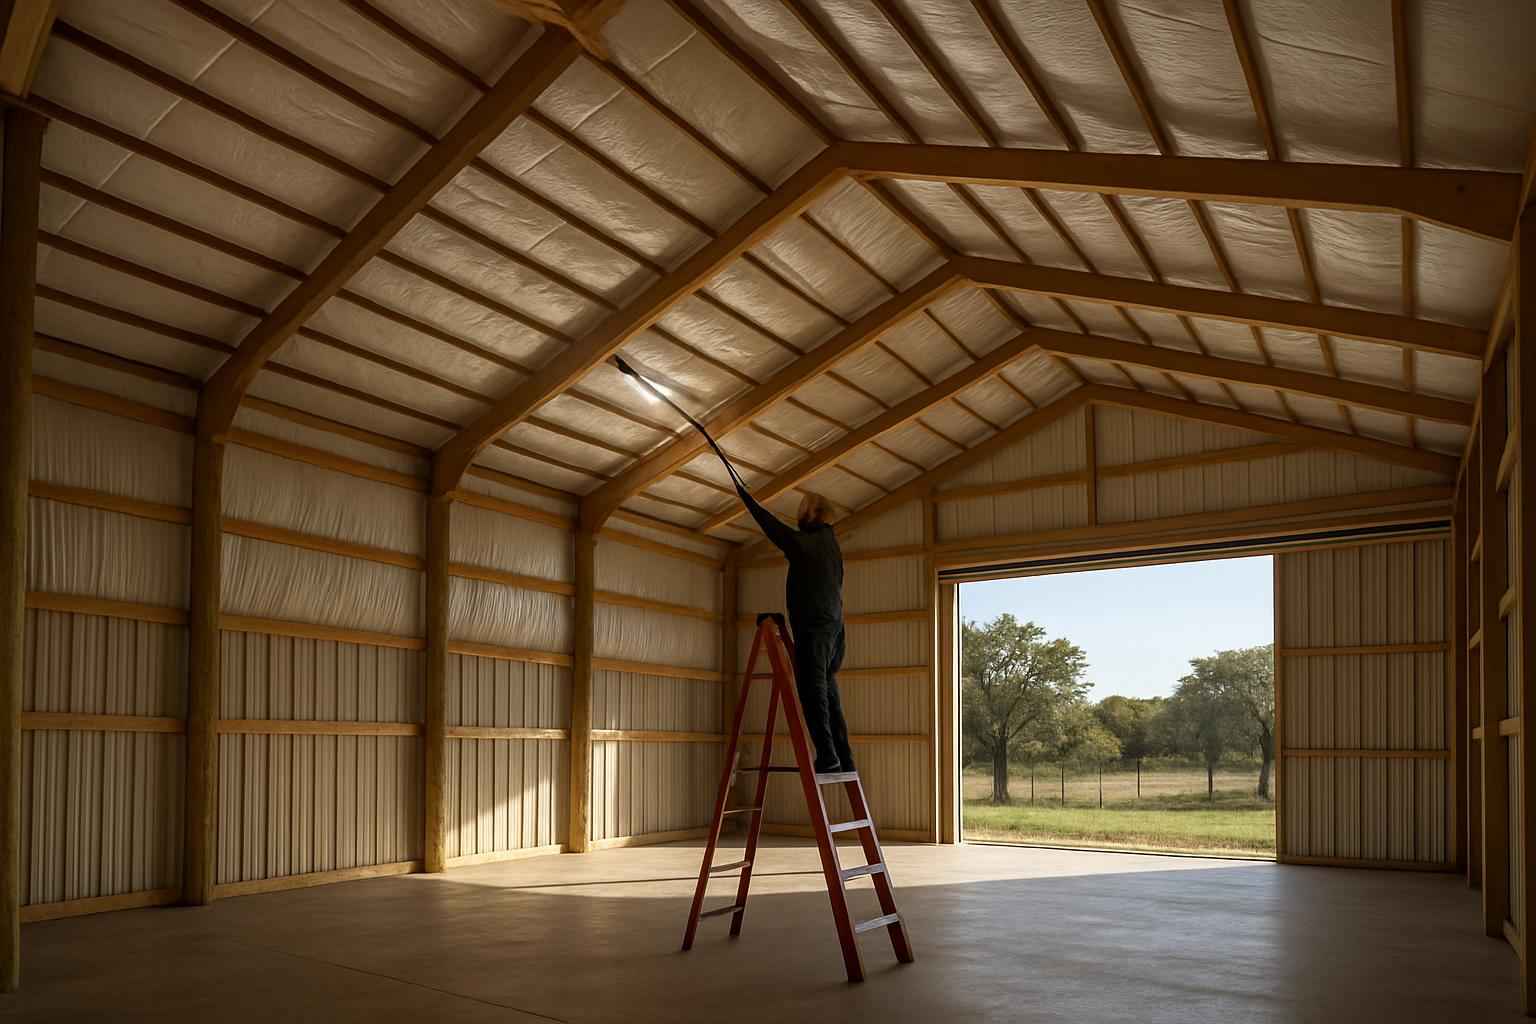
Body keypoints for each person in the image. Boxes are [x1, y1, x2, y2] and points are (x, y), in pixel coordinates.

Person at [734, 484, 855, 776]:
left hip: (816, 633)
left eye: (803, 508)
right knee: (828, 693)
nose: (798, 513)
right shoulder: (830, 544)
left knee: (813, 696)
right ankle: (843, 756)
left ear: (815, 513)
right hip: (834, 633)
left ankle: (827, 756)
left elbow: (775, 530)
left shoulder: (809, 544)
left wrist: (748, 499)